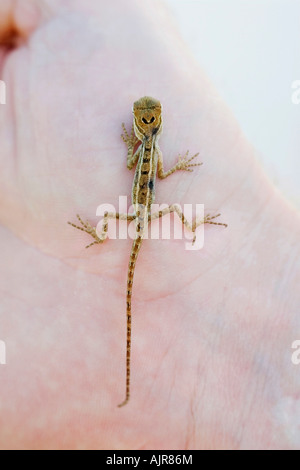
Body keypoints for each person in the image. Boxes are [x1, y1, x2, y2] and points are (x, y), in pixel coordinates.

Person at [0, 0, 299, 450]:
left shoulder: (144, 146)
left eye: (145, 119)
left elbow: (145, 167)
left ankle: (103, 236)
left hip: (139, 213)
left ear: (149, 121)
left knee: (134, 250)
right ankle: (106, 237)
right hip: (144, 212)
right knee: (140, 247)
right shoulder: (148, 148)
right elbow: (155, 172)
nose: (145, 121)